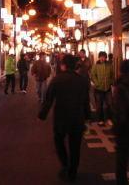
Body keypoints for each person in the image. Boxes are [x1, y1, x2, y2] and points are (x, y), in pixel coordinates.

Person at [38, 54, 90, 182]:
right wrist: (88, 117)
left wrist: (42, 115)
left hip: (61, 117)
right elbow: (86, 101)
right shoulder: (82, 80)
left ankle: (65, 164)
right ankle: (73, 171)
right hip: (77, 118)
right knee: (75, 146)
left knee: (59, 140)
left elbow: (49, 99)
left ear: (63, 65)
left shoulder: (57, 80)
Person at [91, 51, 114, 126]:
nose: (103, 58)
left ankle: (109, 119)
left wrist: (111, 82)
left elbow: (112, 75)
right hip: (98, 89)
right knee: (99, 105)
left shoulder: (109, 65)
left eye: (104, 57)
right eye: (101, 57)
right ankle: (100, 119)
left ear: (106, 57)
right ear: (99, 57)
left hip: (107, 88)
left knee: (110, 104)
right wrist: (96, 83)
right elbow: (93, 75)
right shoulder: (96, 65)